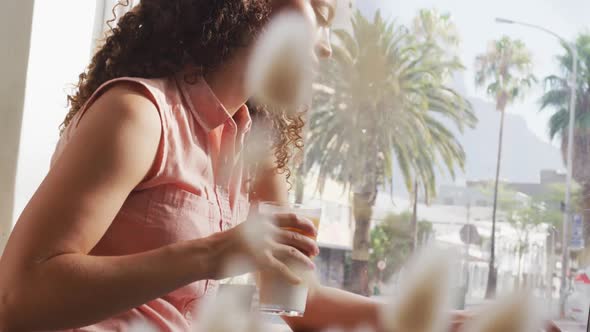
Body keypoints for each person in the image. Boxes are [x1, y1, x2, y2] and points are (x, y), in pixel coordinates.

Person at [0, 1, 561, 331]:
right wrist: (214, 253)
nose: (328, 45)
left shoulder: (255, 150)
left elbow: (294, 300)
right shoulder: (138, 115)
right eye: (318, 10)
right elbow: (18, 297)